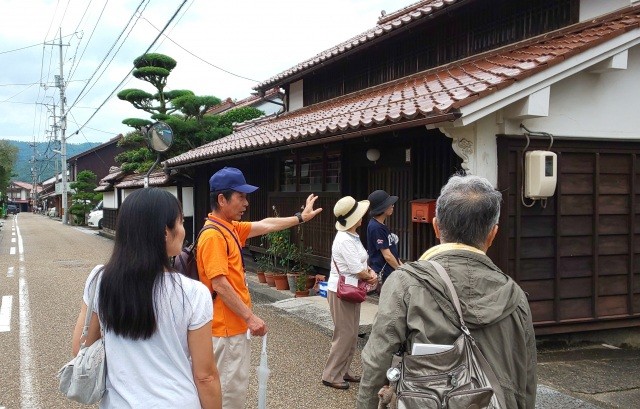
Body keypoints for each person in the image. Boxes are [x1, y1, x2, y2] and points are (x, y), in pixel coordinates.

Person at [357, 174, 537, 408]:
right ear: (493, 234)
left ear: (436, 227)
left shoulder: (406, 284)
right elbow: (526, 377)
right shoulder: (515, 295)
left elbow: (377, 361)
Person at [71, 188, 222, 409]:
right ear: (164, 232)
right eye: (179, 223)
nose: (183, 230)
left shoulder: (99, 280)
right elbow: (205, 376)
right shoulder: (193, 293)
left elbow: (80, 348)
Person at [197, 166, 322, 409]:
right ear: (222, 199)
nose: (246, 202)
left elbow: (266, 224)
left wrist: (300, 218)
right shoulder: (213, 236)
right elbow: (219, 284)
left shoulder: (229, 227)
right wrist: (250, 317)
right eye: (241, 196)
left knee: (230, 389)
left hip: (230, 328)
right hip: (224, 329)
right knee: (228, 395)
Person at [321, 196, 378, 390]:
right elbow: (356, 268)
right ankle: (331, 374)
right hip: (341, 291)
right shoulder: (345, 239)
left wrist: (369, 272)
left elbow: (361, 263)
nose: (362, 217)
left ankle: (343, 370)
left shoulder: (352, 236)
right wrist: (371, 276)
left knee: (352, 333)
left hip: (351, 290)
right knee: (344, 333)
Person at [366, 189, 402, 287]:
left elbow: (392, 253)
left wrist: (403, 267)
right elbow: (388, 256)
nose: (392, 206)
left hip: (390, 273)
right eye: (390, 204)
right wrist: (401, 270)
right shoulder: (376, 227)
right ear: (383, 208)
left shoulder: (380, 225)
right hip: (385, 274)